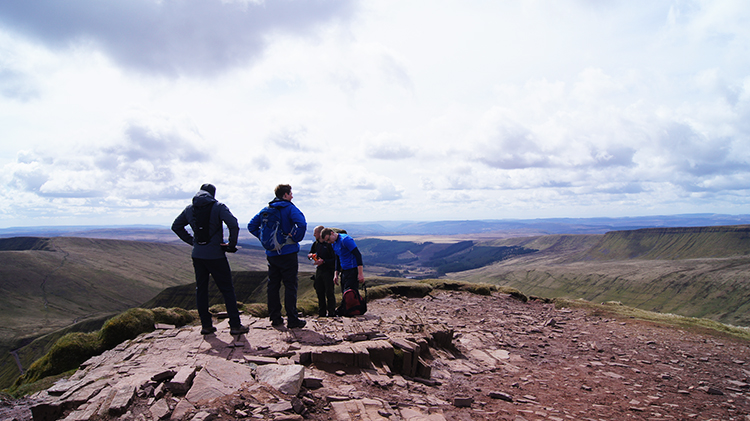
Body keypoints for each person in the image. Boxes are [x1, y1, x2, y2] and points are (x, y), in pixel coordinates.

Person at [172, 184, 249, 336]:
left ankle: (206, 326)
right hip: (216, 255)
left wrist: (193, 242)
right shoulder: (218, 206)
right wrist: (231, 244)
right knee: (227, 289)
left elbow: (176, 226)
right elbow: (233, 224)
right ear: (213, 194)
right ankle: (235, 325)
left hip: (198, 255)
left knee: (201, 290)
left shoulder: (189, 208)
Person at [248, 184, 307, 329]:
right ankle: (292, 319)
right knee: (290, 285)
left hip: (272, 254)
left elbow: (251, 226)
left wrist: (265, 240)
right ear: (285, 195)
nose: (292, 196)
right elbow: (302, 223)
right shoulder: (289, 208)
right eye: (290, 193)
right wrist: (297, 238)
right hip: (288, 252)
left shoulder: (266, 210)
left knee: (273, 285)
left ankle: (275, 318)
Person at [320, 227, 364, 293]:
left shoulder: (345, 240)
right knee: (345, 295)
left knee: (351, 295)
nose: (329, 242)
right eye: (327, 241)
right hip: (344, 271)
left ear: (332, 233)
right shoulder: (333, 243)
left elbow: (358, 255)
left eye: (328, 239)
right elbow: (337, 258)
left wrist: (360, 274)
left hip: (352, 270)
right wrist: (336, 274)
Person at [308, 225, 337, 317]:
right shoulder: (316, 244)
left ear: (320, 234)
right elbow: (311, 252)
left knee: (329, 292)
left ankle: (332, 312)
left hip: (328, 271)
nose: (313, 235)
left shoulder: (329, 244)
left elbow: (335, 259)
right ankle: (322, 313)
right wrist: (311, 256)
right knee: (319, 291)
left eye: (315, 233)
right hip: (319, 270)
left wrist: (324, 261)